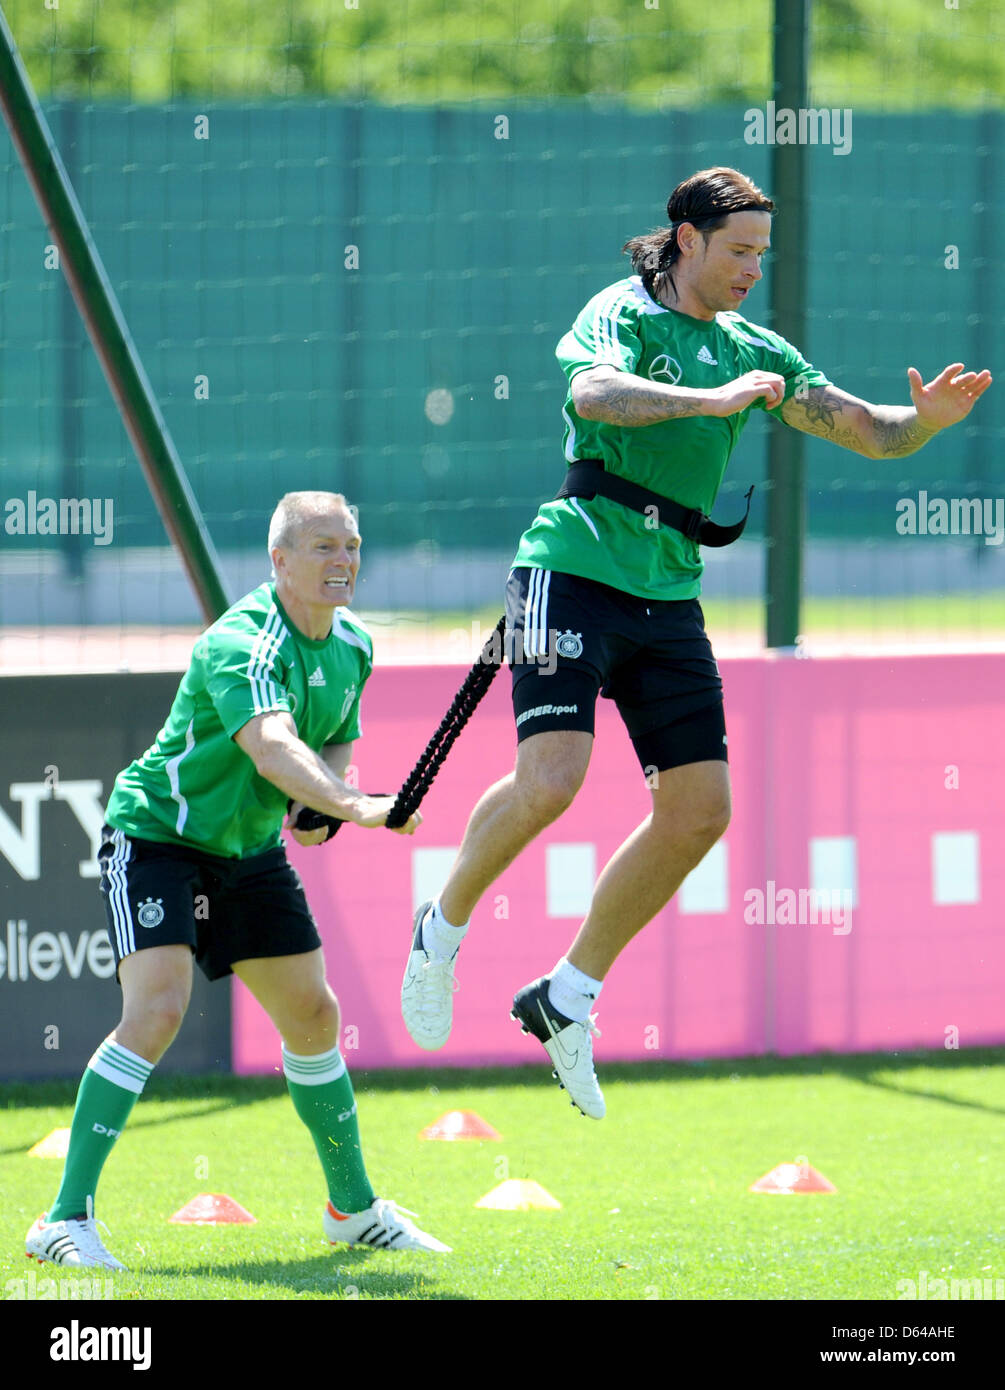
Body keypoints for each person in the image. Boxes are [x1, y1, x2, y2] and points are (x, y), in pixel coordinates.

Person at [400, 165, 992, 1118]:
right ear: (686, 241)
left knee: (700, 811)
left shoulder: (758, 348)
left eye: (764, 252)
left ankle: (566, 998)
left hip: (667, 595)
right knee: (552, 780)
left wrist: (921, 424)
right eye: (739, 251)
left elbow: (866, 430)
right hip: (572, 571)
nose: (753, 269)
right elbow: (594, 396)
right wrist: (711, 404)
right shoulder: (621, 314)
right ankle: (442, 924)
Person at [26, 490, 450, 1269]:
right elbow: (272, 745)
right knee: (156, 1011)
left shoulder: (352, 644)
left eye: (350, 545)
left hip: (249, 850)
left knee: (315, 1016)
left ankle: (350, 1210)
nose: (343, 561)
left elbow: (328, 747)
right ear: (279, 560)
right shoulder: (242, 642)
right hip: (157, 837)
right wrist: (354, 806)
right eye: (322, 547)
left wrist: (321, 802)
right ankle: (62, 1221)